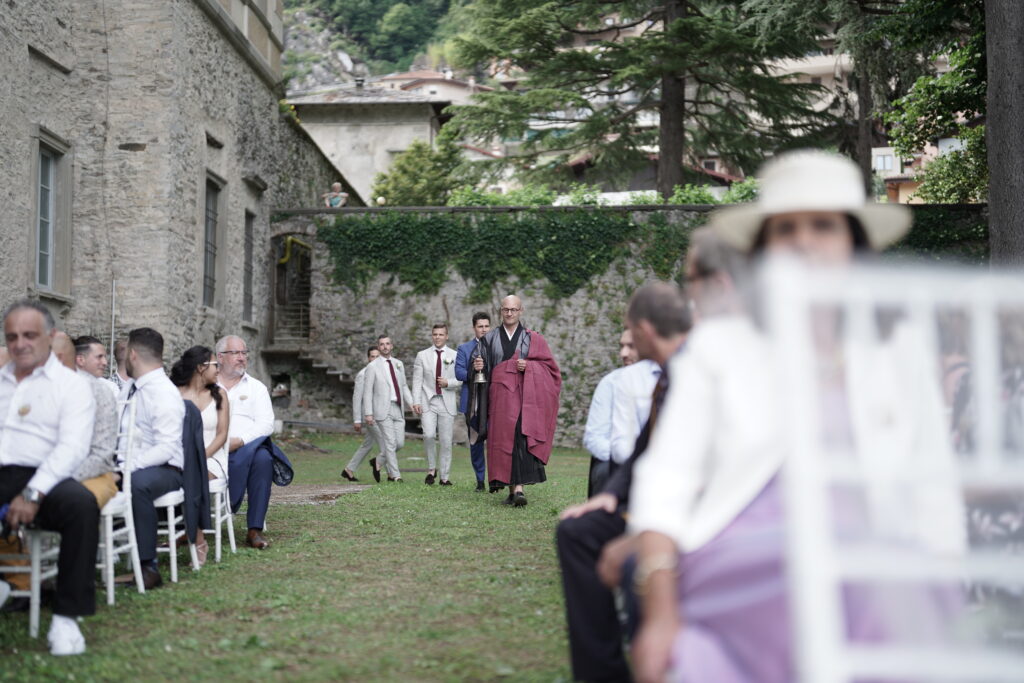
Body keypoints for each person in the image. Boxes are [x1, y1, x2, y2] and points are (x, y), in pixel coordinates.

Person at [629, 150, 962, 683]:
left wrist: (946, 588)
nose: (804, 242)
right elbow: (666, 481)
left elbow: (933, 487)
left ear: (853, 244)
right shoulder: (721, 347)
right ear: (764, 251)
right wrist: (660, 614)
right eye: (786, 230)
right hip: (747, 564)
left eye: (823, 226)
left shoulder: (896, 348)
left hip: (876, 566)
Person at [556, 283, 691, 682]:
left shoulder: (696, 374)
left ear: (645, 331)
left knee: (634, 563)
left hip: (689, 509)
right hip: (649, 500)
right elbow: (643, 451)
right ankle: (601, 672)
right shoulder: (664, 375)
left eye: (630, 331)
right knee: (576, 531)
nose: (627, 342)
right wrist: (611, 496)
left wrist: (642, 530)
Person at [0, 300, 97, 655]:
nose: (20, 343)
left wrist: (32, 492)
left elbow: (71, 448)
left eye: (29, 335)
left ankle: (66, 618)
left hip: (44, 474)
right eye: (12, 336)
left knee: (81, 506)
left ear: (50, 336)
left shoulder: (71, 386)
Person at [471, 295, 561, 507]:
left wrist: (530, 366)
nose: (509, 313)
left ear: (521, 311)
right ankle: (511, 490)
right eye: (505, 310)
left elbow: (551, 369)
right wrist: (476, 367)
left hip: (524, 397)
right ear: (500, 311)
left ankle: (519, 489)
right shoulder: (489, 338)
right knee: (503, 441)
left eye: (513, 309)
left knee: (521, 438)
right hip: (500, 398)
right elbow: (478, 366)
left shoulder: (533, 338)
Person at [119, 327, 185, 590]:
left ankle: (148, 567)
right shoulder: (130, 389)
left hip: (165, 469)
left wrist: (126, 468)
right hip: (128, 462)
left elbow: (166, 448)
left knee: (137, 484)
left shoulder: (162, 392)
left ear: (132, 355)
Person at [216, 335, 283, 550]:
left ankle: (254, 529)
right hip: (211, 448)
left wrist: (240, 441)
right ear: (220, 357)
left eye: (244, 353)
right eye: (236, 353)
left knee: (263, 458)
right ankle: (192, 525)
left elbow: (266, 424)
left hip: (246, 447)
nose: (241, 358)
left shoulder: (257, 388)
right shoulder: (207, 386)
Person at [170, 345, 231, 566]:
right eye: (215, 364)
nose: (218, 369)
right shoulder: (175, 393)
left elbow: (222, 434)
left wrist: (199, 457)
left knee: (193, 476)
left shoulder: (219, 394)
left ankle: (197, 538)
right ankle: (185, 533)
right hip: (179, 456)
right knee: (180, 475)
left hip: (211, 458)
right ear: (200, 367)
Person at [53, 333, 119, 509]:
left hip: (89, 473)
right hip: (46, 471)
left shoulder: (101, 393)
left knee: (71, 501)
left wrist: (59, 477)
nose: (105, 363)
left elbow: (102, 454)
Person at [581, 329, 638, 498]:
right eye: (621, 346)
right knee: (605, 472)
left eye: (631, 346)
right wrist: (627, 460)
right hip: (616, 458)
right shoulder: (610, 384)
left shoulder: (668, 380)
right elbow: (594, 438)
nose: (623, 353)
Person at [412, 323, 462, 486]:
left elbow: (461, 379)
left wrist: (448, 383)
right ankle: (431, 469)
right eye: (435, 334)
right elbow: (417, 380)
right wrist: (416, 401)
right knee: (428, 435)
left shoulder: (455, 355)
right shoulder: (422, 355)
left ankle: (444, 477)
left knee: (446, 440)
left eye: (441, 334)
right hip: (428, 401)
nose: (438, 337)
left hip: (446, 402)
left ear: (446, 336)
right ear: (432, 336)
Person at [362, 335, 413, 482]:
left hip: (398, 407)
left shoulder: (399, 364)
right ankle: (395, 476)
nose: (385, 346)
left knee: (399, 443)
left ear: (392, 346)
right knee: (390, 443)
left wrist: (412, 403)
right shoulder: (372, 367)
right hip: (382, 409)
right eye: (382, 344)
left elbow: (403, 386)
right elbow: (367, 391)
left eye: (387, 344)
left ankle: (377, 461)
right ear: (379, 347)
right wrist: (369, 413)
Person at [455, 312, 492, 491]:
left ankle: (496, 479)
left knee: (494, 443)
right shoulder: (464, 349)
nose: (483, 329)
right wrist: (473, 368)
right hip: (472, 404)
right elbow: (459, 373)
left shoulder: (496, 348)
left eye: (486, 326)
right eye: (480, 326)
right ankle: (480, 480)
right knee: (475, 443)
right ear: (474, 328)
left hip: (493, 403)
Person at [341, 345, 383, 482]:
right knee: (386, 442)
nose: (375, 359)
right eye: (372, 356)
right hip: (369, 416)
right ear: (368, 358)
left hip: (381, 414)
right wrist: (357, 419)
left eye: (378, 356)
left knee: (367, 444)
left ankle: (349, 470)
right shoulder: (362, 375)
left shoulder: (384, 373)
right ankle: (392, 474)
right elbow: (357, 398)